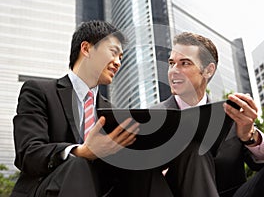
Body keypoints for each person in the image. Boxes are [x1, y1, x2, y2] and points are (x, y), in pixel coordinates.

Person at [11, 20, 168, 197]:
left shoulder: (113, 113)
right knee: (79, 164)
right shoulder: (39, 91)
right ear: (86, 49)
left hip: (101, 189)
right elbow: (28, 153)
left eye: (121, 58)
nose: (118, 62)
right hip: (48, 187)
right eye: (113, 53)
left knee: (146, 170)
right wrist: (81, 152)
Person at [151, 32, 264, 197]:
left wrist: (249, 136)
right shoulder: (151, 118)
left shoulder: (230, 114)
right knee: (193, 147)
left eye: (184, 63)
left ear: (208, 70)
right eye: (172, 63)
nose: (173, 71)